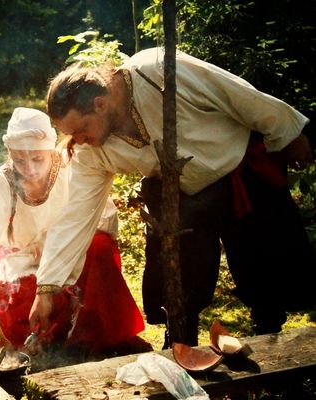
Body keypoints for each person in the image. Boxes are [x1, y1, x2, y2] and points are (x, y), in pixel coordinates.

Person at [29, 47, 315, 346]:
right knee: (177, 280)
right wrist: (46, 288)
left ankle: (271, 339)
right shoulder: (91, 151)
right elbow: (76, 215)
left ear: (100, 104)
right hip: (181, 197)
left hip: (237, 170)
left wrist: (287, 131)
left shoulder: (157, 70)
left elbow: (235, 93)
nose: (79, 141)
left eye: (81, 130)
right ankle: (179, 340)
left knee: (264, 270)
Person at [0, 107, 148, 355]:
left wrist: (62, 250)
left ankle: (99, 338)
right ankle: (47, 345)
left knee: (99, 248)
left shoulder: (72, 167)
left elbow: (98, 216)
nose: (30, 169)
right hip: (24, 259)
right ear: (10, 155)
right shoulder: (3, 181)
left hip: (71, 250)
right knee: (17, 299)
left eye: (38, 159)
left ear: (50, 151)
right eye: (20, 160)